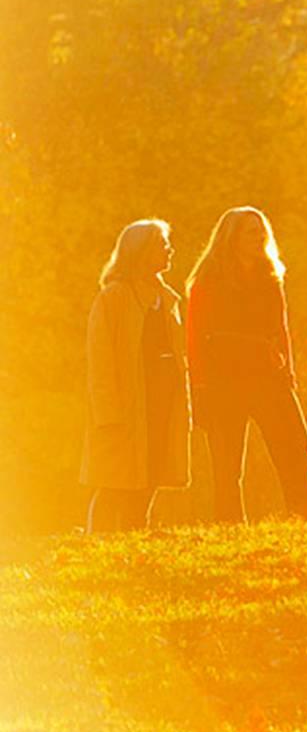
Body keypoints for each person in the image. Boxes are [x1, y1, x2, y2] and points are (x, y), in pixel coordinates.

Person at [186, 207, 307, 523]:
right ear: (232, 239)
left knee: (296, 452)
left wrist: (288, 374)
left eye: (261, 230)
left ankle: (304, 520)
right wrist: (199, 385)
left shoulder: (270, 277)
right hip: (224, 380)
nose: (259, 237)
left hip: (268, 378)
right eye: (250, 231)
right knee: (227, 466)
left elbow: (281, 329)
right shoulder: (208, 280)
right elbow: (194, 336)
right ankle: (230, 527)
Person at [80, 220, 191, 532]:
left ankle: (134, 535)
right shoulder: (114, 297)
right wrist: (108, 412)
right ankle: (97, 539)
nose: (169, 250)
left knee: (152, 470)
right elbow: (100, 360)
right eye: (161, 244)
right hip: (127, 404)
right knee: (115, 480)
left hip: (163, 399)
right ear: (140, 252)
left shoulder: (168, 299)